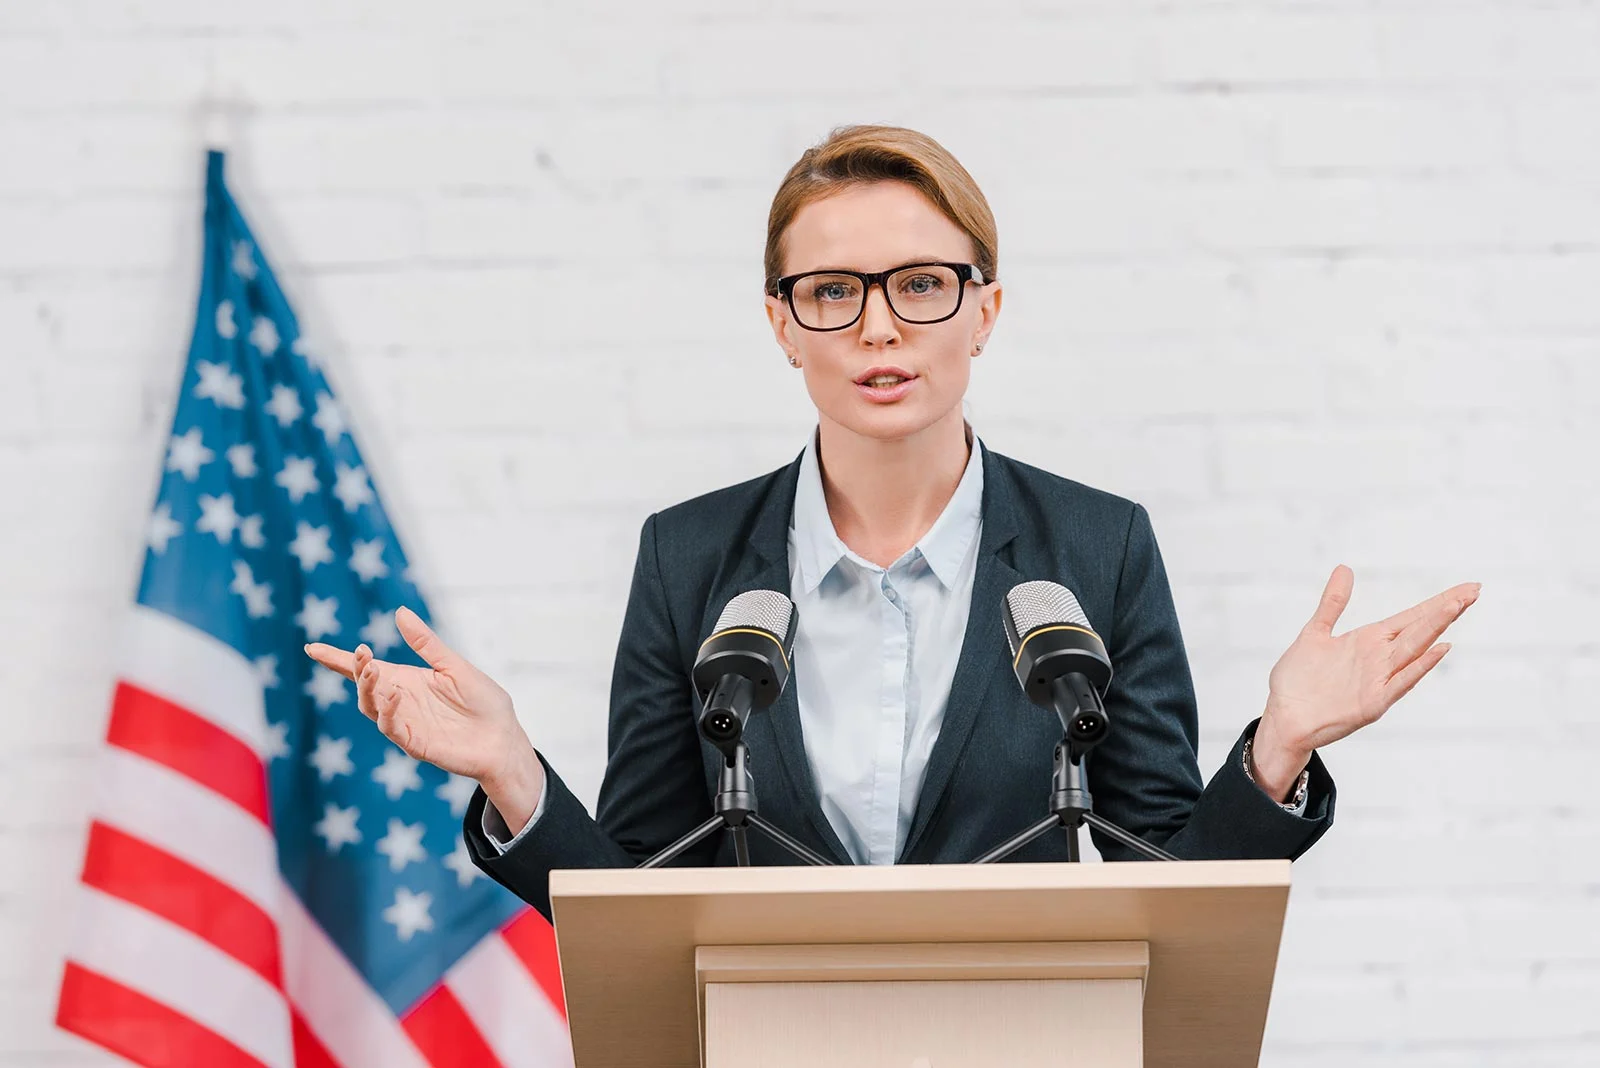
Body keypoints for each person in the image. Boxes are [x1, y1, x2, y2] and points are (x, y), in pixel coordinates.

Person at [305, 125, 1480, 920]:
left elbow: (1165, 893)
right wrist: (513, 772)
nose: (880, 329)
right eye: (833, 292)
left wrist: (1275, 750)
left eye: (922, 284)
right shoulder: (687, 558)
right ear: (781, 323)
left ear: (986, 310)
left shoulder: (1097, 548)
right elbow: (640, 905)